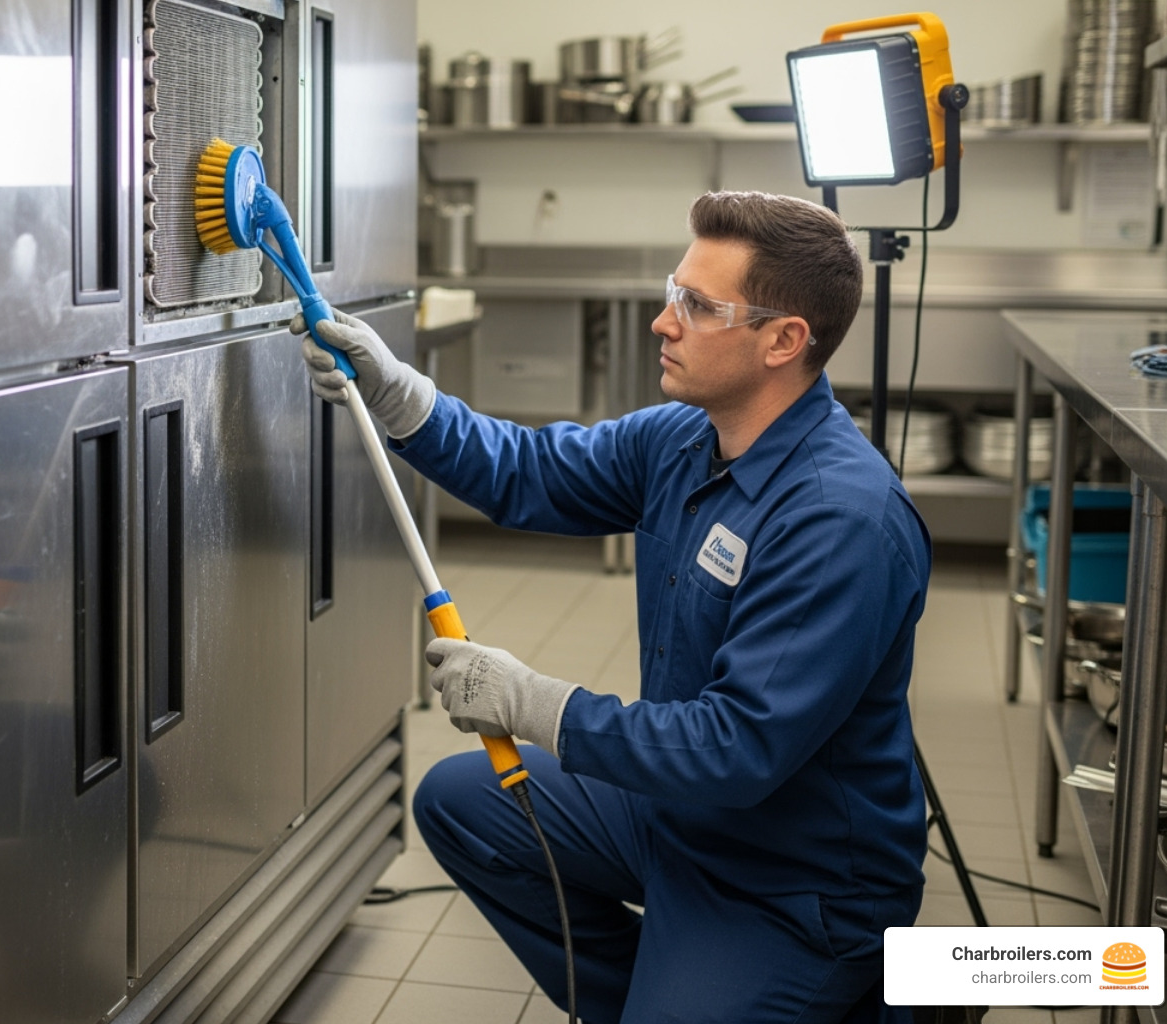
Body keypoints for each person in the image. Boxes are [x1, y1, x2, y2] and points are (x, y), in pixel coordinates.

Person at [294, 190, 929, 1024]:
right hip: (676, 817)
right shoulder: (683, 438)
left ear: (784, 340)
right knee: (461, 803)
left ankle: (852, 999)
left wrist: (535, 703)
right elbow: (529, 470)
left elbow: (736, 749)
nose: (664, 322)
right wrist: (400, 395)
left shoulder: (840, 518)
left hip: (793, 878)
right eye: (675, 292)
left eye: (699, 307)